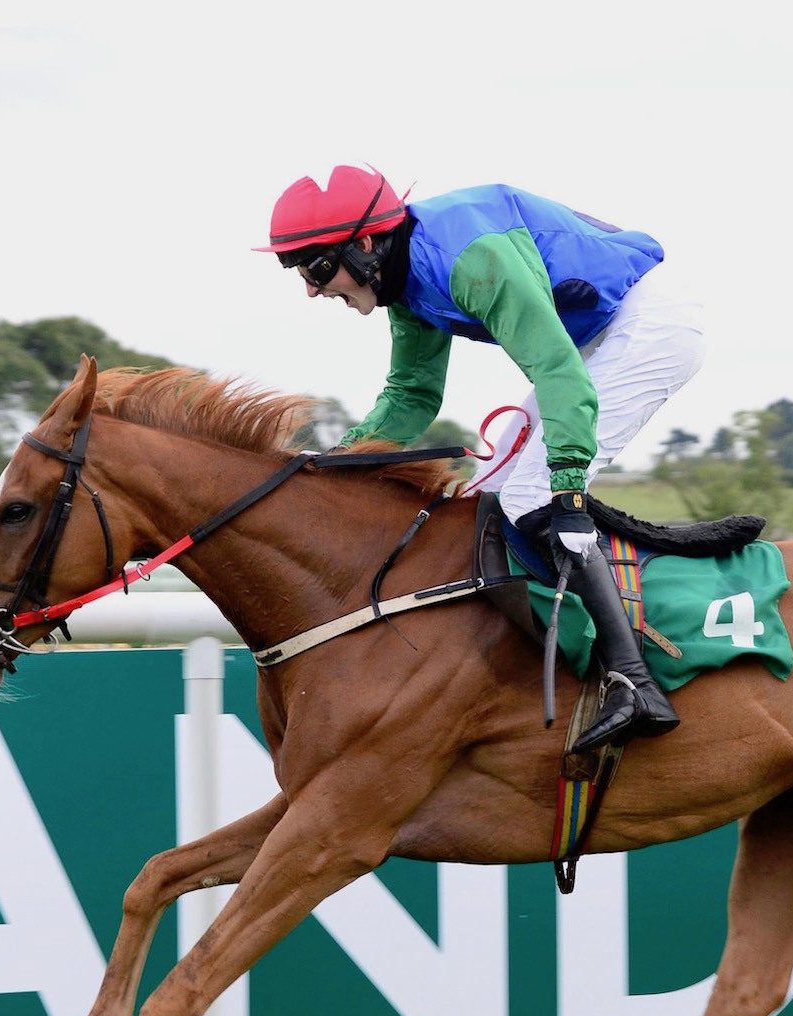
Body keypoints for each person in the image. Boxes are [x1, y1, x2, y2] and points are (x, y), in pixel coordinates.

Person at [258, 165, 704, 754]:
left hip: (646, 326)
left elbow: (557, 372)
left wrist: (567, 484)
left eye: (317, 267)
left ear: (366, 243)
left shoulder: (469, 258)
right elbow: (412, 396)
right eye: (299, 273)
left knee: (531, 499)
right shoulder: (402, 277)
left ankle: (633, 679)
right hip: (587, 339)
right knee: (482, 495)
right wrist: (337, 463)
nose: (313, 290)